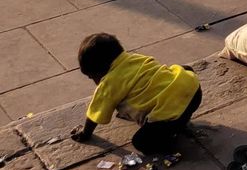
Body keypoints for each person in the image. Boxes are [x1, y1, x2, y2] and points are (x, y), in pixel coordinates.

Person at [70, 33, 202, 157]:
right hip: (193, 91)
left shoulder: (108, 84)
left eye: (92, 77)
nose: (95, 82)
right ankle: (181, 116)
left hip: (170, 116)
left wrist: (85, 133)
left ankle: (173, 133)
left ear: (100, 71)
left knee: (141, 143)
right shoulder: (135, 58)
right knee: (182, 70)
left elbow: (94, 114)